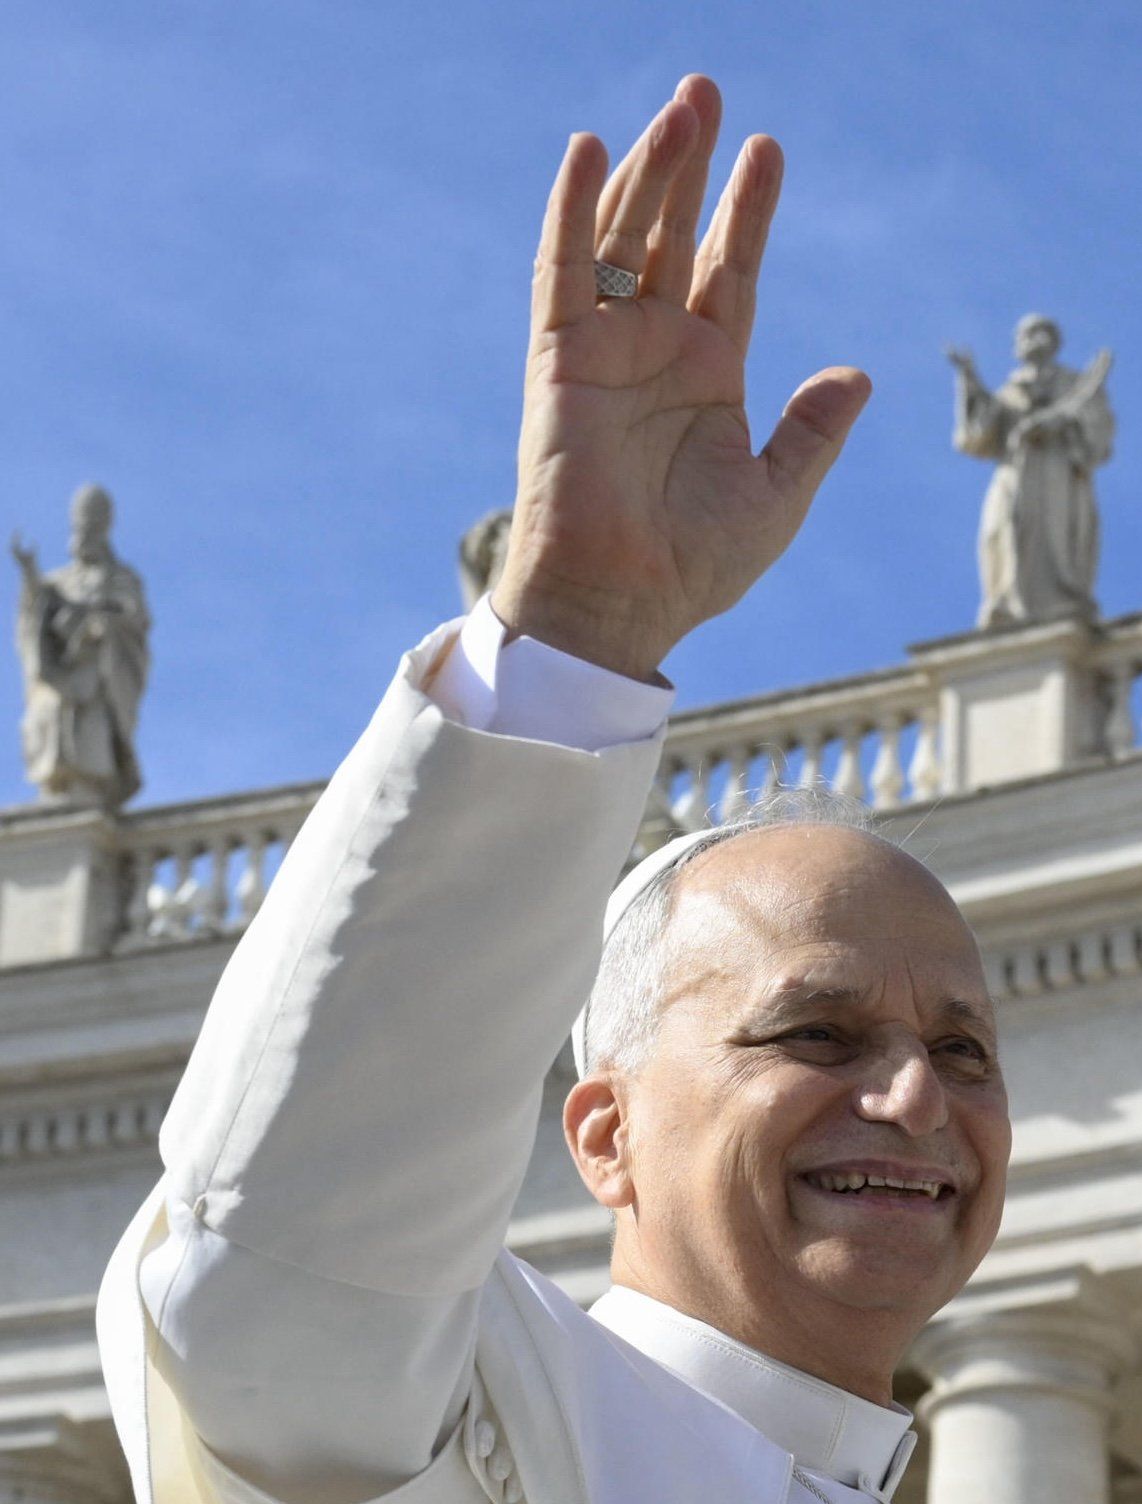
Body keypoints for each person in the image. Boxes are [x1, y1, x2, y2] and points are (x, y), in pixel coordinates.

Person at [96, 73, 1010, 1504]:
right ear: (605, 1132)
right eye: (818, 1034)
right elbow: (291, 1258)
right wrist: (576, 635)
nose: (914, 1098)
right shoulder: (470, 1419)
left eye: (963, 1052)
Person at [948, 316, 1113, 628]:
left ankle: (1058, 603)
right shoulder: (1009, 391)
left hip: (1057, 472)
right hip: (1013, 472)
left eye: (1039, 333)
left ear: (1054, 341)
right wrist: (967, 378)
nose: (1031, 340)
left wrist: (1061, 424)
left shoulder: (1075, 385)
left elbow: (1098, 433)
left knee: (1054, 531)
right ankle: (1006, 602)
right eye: (1024, 334)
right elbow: (975, 437)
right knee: (1003, 529)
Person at [12, 484, 151, 807]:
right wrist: (31, 574)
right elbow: (38, 609)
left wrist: (96, 625)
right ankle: (59, 788)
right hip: (59, 678)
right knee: (50, 716)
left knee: (90, 727)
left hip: (94, 674)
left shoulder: (121, 579)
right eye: (79, 527)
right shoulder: (60, 579)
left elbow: (131, 622)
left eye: (89, 526)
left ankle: (87, 789)